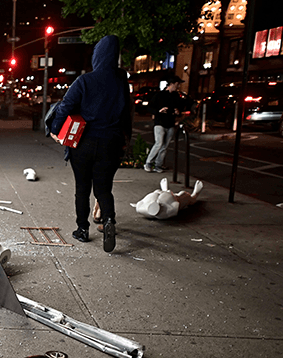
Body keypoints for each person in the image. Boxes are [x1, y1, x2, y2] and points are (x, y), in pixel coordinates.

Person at [50, 35, 132, 253]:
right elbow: (127, 116)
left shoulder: (85, 81)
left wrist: (55, 130)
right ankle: (109, 221)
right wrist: (126, 140)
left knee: (82, 188)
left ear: (97, 56)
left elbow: (65, 107)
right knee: (104, 189)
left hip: (83, 142)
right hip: (110, 144)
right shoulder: (121, 83)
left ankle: (82, 229)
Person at [144, 76, 184, 173]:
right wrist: (159, 111)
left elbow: (181, 108)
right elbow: (150, 107)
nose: (178, 86)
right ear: (171, 84)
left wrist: (177, 111)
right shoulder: (159, 95)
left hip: (170, 123)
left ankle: (158, 164)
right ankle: (148, 162)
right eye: (177, 84)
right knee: (159, 143)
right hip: (160, 122)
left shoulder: (176, 96)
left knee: (164, 146)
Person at [131, 178, 203, 219]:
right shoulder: (167, 212)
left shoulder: (142, 207)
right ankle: (195, 194)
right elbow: (176, 205)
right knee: (183, 195)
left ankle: (164, 190)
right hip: (172, 199)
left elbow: (138, 204)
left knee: (158, 192)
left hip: (162, 195)